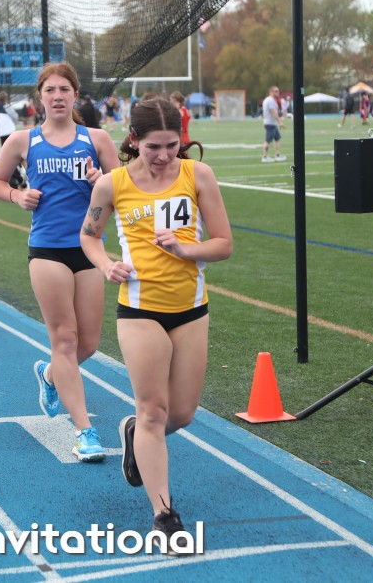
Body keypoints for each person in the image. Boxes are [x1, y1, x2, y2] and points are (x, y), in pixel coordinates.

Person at [79, 97, 233, 546]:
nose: (164, 155)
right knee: (153, 410)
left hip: (191, 309)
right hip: (139, 310)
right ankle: (164, 514)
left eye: (172, 145)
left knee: (181, 414)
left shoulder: (198, 175)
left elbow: (224, 244)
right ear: (134, 140)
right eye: (153, 147)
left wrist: (186, 249)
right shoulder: (111, 184)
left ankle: (134, 435)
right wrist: (106, 264)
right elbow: (89, 236)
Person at [0, 61, 120, 462]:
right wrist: (17, 195)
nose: (58, 96)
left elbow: (124, 190)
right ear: (39, 98)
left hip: (89, 250)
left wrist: (102, 182)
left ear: (75, 95)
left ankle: (49, 374)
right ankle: (84, 432)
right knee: (64, 339)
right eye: (50, 90)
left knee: (88, 344)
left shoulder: (97, 139)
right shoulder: (22, 140)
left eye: (64, 89)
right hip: (47, 249)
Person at [261, 85, 286, 162]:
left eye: (278, 91)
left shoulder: (267, 100)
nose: (278, 93)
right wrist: (280, 122)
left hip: (270, 123)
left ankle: (277, 155)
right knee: (268, 140)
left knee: (277, 138)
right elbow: (274, 113)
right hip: (270, 123)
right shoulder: (270, 100)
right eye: (276, 91)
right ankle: (265, 156)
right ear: (271, 92)